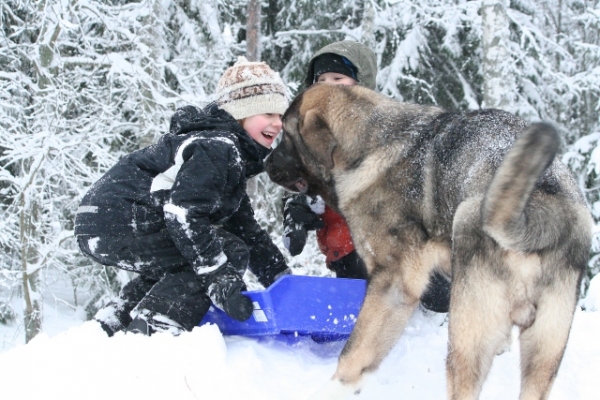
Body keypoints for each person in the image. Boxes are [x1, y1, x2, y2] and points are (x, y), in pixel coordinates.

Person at [75, 56, 291, 336]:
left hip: (98, 222)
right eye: (267, 114)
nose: (278, 124)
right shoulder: (219, 148)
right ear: (240, 113)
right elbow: (184, 213)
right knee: (223, 251)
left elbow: (247, 231)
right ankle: (156, 327)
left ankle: (116, 321)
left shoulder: (223, 152)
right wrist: (218, 276)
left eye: (281, 116)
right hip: (121, 216)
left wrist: (281, 279)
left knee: (187, 255)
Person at [282, 40, 451, 313]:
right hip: (349, 251)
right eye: (321, 80)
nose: (328, 86)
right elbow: (297, 181)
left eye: (338, 78)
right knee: (361, 306)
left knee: (437, 294)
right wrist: (296, 208)